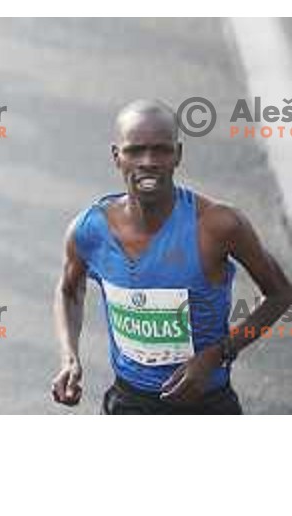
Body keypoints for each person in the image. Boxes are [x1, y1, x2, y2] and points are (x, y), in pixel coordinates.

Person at [52, 99, 292, 414]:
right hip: (128, 404)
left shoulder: (219, 225)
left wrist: (219, 352)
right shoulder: (89, 230)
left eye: (161, 150)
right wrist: (70, 358)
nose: (148, 161)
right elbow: (69, 290)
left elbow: (280, 294)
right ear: (116, 157)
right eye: (135, 151)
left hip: (207, 405)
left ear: (178, 155)